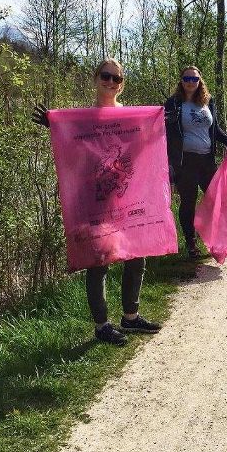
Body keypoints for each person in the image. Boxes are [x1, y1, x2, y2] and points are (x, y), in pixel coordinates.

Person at [33, 58, 162, 346]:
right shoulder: (84, 118)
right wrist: (55, 126)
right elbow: (72, 145)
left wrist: (159, 125)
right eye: (106, 76)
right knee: (98, 261)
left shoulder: (130, 116)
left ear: (122, 84)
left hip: (125, 196)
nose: (111, 82)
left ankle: (130, 317)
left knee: (136, 255)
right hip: (94, 199)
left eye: (116, 78)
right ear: (95, 79)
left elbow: (142, 146)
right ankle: (102, 325)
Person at [164, 66, 227, 259]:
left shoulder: (208, 102)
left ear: (200, 81)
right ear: (181, 80)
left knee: (219, 200)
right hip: (185, 163)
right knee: (188, 203)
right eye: (186, 78)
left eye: (194, 79)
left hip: (206, 161)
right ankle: (191, 245)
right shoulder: (173, 104)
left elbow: (215, 130)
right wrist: (168, 163)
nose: (190, 82)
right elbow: (165, 133)